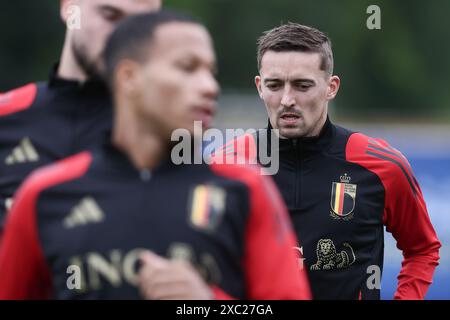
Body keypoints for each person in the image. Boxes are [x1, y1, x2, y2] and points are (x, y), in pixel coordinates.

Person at [0, 11, 311, 300]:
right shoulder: (43, 194)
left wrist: (208, 302)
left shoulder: (245, 187)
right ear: (129, 78)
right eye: (187, 68)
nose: (210, 87)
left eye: (210, 72)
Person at [214, 22, 441, 300]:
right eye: (275, 85)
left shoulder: (382, 166)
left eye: (302, 85)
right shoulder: (224, 165)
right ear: (260, 87)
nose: (287, 99)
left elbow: (422, 249)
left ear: (331, 87)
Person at [0, 0, 162, 230]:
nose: (122, 37)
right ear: (69, 8)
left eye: (139, 25)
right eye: (110, 15)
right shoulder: (7, 118)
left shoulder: (166, 137)